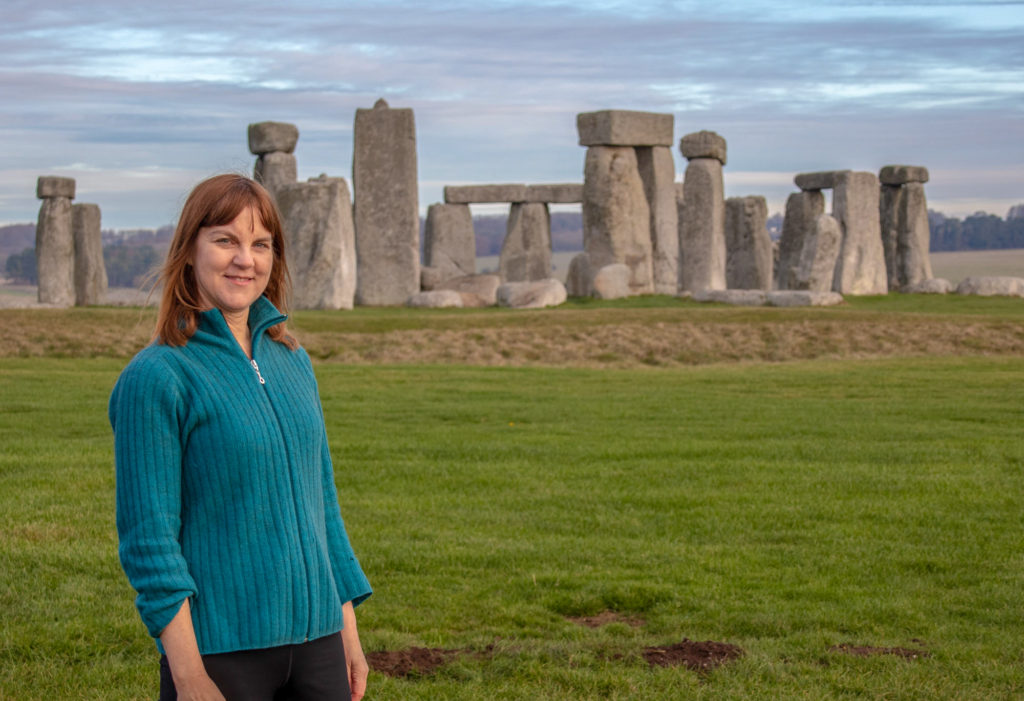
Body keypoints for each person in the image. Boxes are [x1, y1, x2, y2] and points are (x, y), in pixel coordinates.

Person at [109, 174, 371, 700]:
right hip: (222, 657)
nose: (244, 259)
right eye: (225, 239)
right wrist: (189, 676)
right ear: (189, 251)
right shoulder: (158, 376)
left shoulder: (293, 361)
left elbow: (323, 505)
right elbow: (150, 543)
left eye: (260, 244)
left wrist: (347, 628)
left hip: (319, 644)